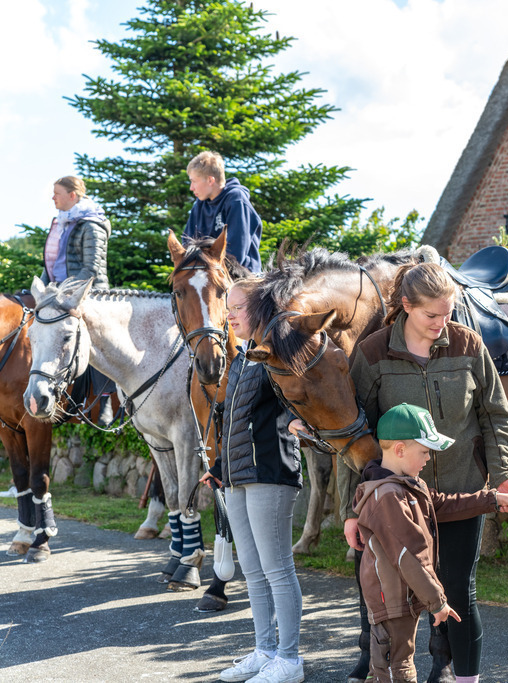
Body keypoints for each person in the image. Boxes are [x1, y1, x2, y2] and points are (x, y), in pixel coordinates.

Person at [342, 261, 508, 683]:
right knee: (393, 599)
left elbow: (497, 416)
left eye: (448, 313)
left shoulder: (469, 345)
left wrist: (503, 474)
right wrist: (355, 508)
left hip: (461, 492)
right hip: (398, 504)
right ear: (406, 305)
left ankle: (463, 679)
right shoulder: (371, 355)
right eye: (432, 315)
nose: (443, 323)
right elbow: (358, 438)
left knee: (459, 590)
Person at [354, 402, 508, 683]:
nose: (429, 458)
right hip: (389, 600)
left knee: (396, 662)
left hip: (403, 596)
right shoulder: (389, 497)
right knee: (395, 668)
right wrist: (437, 602)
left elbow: (444, 504)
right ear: (400, 450)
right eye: (424, 451)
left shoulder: (409, 485)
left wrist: (494, 499)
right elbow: (408, 557)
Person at [201, 277, 305, 683]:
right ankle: (265, 650)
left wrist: (305, 424)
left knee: (278, 569)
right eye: (228, 307)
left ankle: (290, 659)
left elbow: (301, 404)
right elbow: (238, 420)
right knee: (254, 570)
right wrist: (221, 467)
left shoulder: (279, 353)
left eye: (237, 307)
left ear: (261, 309)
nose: (228, 315)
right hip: (240, 476)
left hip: (271, 473)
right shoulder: (244, 357)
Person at [41, 175, 115, 425]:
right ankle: (66, 398)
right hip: (63, 292)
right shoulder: (61, 223)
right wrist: (43, 290)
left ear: (72, 196)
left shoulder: (91, 225)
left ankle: (104, 400)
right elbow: (51, 264)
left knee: (92, 338)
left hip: (90, 292)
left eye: (57, 193)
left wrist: (65, 293)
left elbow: (91, 270)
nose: (53, 197)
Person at [184, 151, 263, 273]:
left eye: (194, 181)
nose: (191, 187)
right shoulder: (199, 205)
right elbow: (187, 244)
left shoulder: (236, 199)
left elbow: (236, 253)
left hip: (242, 278)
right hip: (207, 275)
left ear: (210, 180)